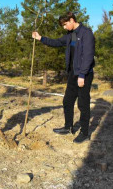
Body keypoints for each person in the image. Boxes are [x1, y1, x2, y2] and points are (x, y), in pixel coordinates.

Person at [32, 12, 95, 144]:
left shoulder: (86, 33)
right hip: (73, 73)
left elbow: (88, 55)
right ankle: (68, 127)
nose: (64, 28)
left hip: (84, 74)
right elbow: (56, 42)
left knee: (83, 104)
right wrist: (40, 38)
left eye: (65, 24)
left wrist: (82, 75)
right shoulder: (70, 35)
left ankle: (84, 133)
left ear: (72, 20)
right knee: (67, 101)